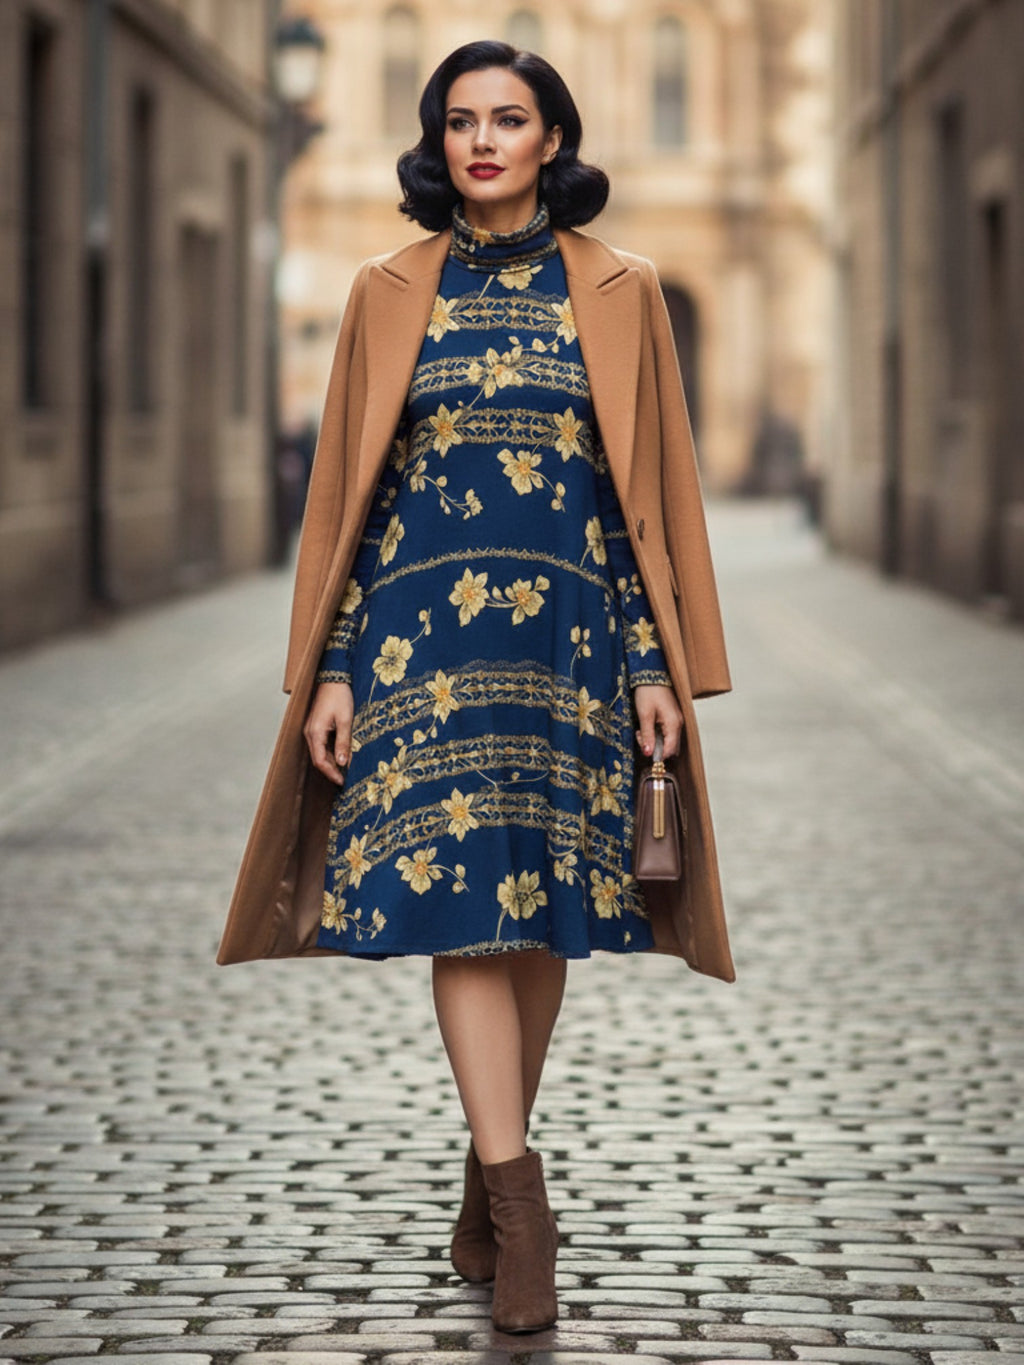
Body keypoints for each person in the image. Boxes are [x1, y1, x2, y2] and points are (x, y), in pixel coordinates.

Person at [217, 39, 735, 1336]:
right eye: (461, 121)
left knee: (547, 915)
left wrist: (658, 666)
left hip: (566, 653)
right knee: (465, 916)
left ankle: (483, 1160)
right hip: (417, 655)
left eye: (511, 119)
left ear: (553, 138)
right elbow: (355, 498)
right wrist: (331, 668)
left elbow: (642, 507)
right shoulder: (387, 289)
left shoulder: (623, 291)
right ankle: (522, 1208)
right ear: (437, 141)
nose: (485, 141)